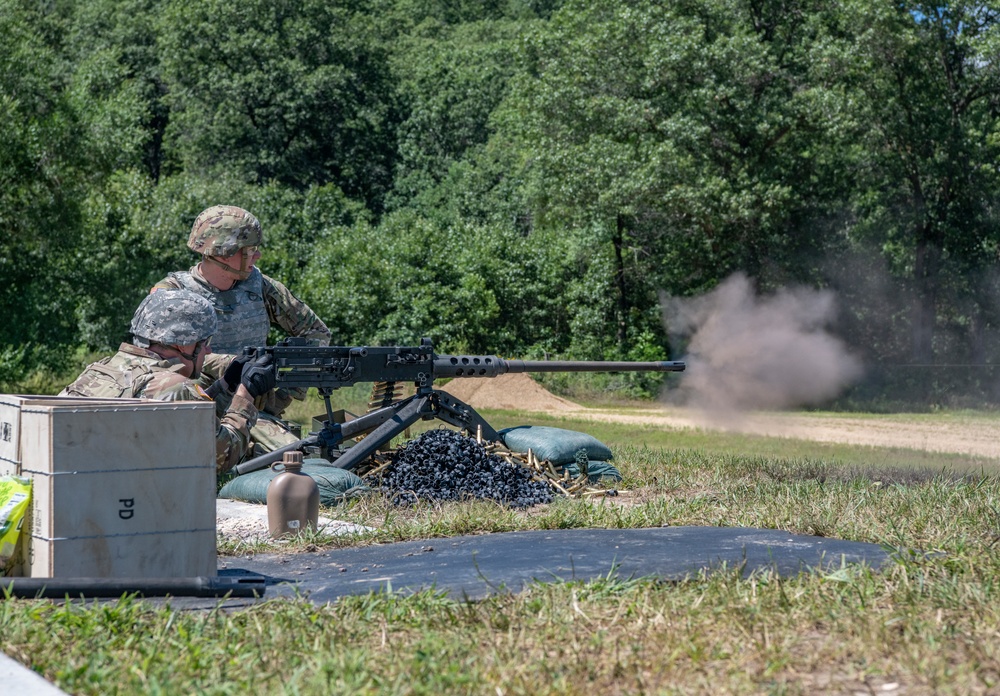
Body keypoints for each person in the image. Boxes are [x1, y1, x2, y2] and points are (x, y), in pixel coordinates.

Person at [150, 204, 330, 453]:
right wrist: (233, 365)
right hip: (190, 410)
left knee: (303, 460)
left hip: (250, 410)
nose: (257, 256)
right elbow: (153, 359)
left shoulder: (263, 287)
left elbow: (316, 334)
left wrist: (285, 393)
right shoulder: (171, 294)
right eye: (251, 250)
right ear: (224, 253)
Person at [60, 290, 276, 475]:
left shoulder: (101, 369)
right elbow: (222, 457)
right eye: (205, 342)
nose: (208, 350)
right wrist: (245, 395)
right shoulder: (174, 387)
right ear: (185, 345)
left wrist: (224, 386)